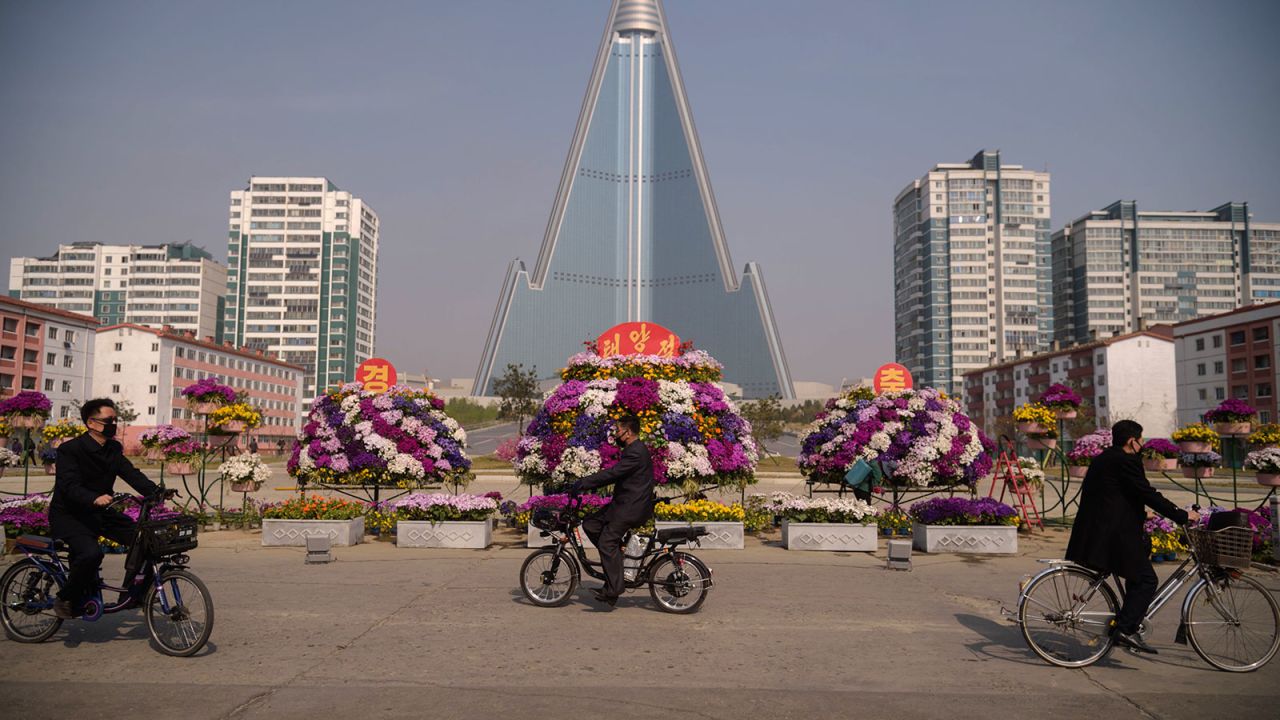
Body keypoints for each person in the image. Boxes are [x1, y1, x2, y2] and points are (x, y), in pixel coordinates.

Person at [1065, 420, 1199, 654]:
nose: (1143, 444)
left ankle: (1128, 623)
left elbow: (1116, 491)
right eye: (1141, 440)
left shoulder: (1105, 458)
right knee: (1147, 580)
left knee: (1137, 575)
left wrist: (1140, 512)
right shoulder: (1125, 460)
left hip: (1099, 528)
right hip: (1113, 533)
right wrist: (1181, 515)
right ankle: (1125, 630)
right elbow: (1146, 492)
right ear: (1132, 441)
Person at [49, 398, 160, 619]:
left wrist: (155, 492)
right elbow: (68, 485)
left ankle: (132, 595)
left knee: (148, 541)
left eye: (115, 420)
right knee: (91, 554)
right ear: (91, 422)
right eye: (108, 420)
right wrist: (94, 498)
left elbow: (129, 472)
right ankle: (66, 597)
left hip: (100, 513)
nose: (113, 424)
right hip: (70, 515)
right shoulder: (70, 450)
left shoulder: (113, 448)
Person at [570, 415, 654, 607]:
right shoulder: (633, 450)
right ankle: (614, 564)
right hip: (623, 504)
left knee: (607, 542)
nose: (616, 434)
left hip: (631, 508)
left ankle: (614, 588)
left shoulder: (636, 452)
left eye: (618, 430)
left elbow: (614, 473)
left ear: (628, 432)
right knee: (591, 524)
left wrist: (585, 482)